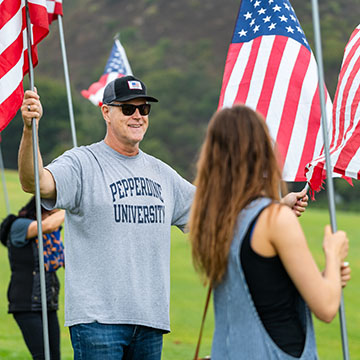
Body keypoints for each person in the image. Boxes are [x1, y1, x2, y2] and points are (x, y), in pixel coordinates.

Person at [18, 76, 309, 360]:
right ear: (106, 112)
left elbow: (217, 214)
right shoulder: (83, 163)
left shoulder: (162, 173)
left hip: (151, 322)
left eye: (144, 109)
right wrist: (30, 130)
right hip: (98, 322)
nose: (137, 116)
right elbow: (35, 181)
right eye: (128, 108)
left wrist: (275, 207)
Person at [189, 105, 351, 360]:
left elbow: (264, 291)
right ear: (260, 152)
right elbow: (327, 307)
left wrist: (326, 279)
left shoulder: (213, 218)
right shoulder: (276, 220)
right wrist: (333, 254)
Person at [0, 196, 65, 360]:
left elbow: (67, 261)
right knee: (42, 356)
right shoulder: (19, 226)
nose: (55, 218)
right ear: (42, 209)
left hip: (48, 303)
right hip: (26, 304)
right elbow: (48, 226)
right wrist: (73, 207)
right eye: (53, 212)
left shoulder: (52, 238)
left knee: (54, 356)